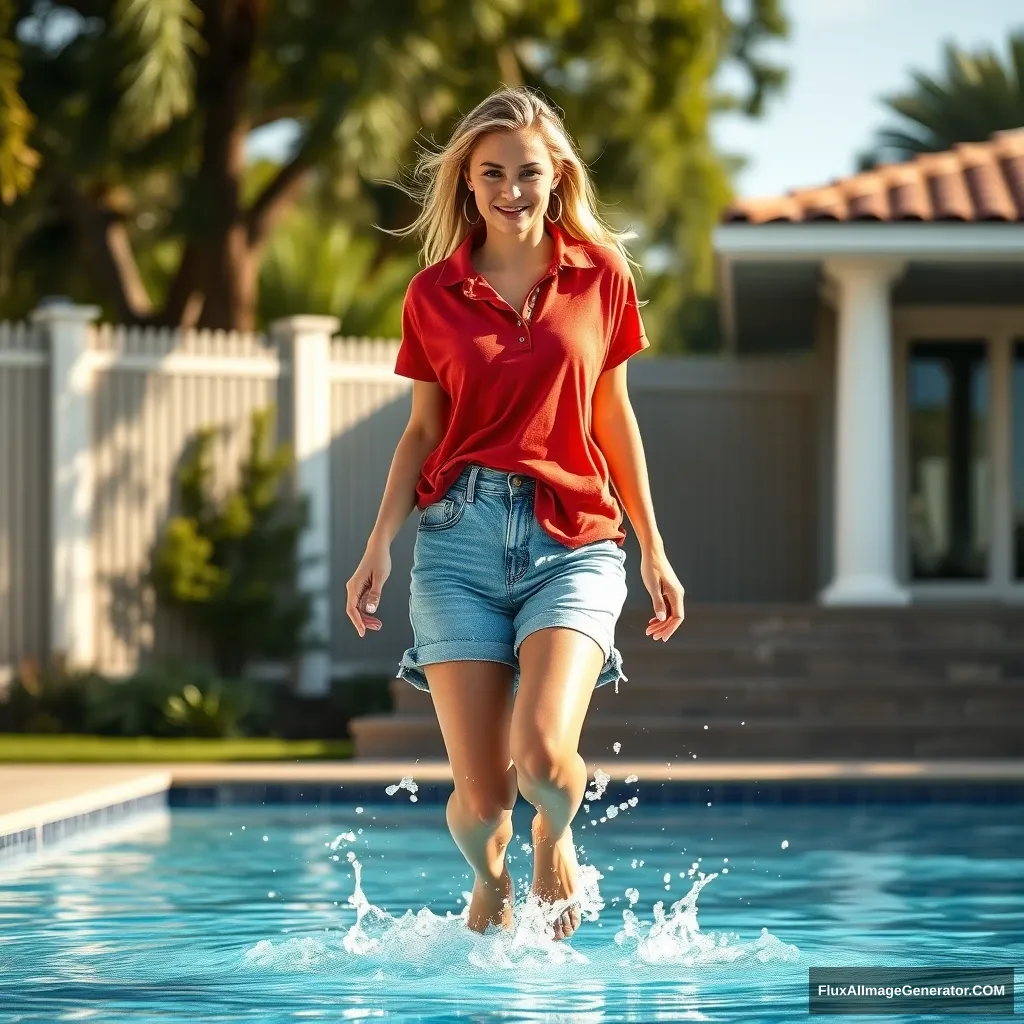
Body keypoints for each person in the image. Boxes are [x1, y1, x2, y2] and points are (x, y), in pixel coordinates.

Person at [345, 87, 685, 942]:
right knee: (481, 800)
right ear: (466, 181)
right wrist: (378, 542)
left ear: (556, 175)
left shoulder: (602, 278)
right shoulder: (432, 293)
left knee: (541, 761)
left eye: (528, 172)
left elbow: (614, 418)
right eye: (491, 173)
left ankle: (553, 833)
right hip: (456, 543)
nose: (511, 190)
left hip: (573, 540)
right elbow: (422, 430)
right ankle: (490, 871)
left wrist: (654, 548)